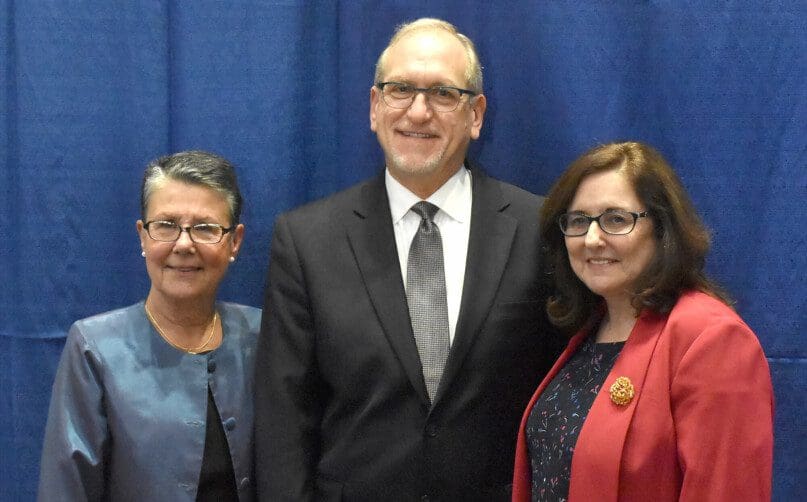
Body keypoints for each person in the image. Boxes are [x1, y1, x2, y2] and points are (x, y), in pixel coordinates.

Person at [255, 18, 560, 501]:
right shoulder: (306, 240)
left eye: (443, 94)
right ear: (375, 107)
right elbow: (283, 422)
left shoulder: (539, 229)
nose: (418, 112)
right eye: (400, 90)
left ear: (476, 115)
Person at [512, 142, 774, 501]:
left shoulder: (711, 339)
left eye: (616, 219)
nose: (591, 239)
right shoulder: (589, 332)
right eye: (578, 221)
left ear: (663, 229)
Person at [38, 151, 260, 501]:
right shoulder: (95, 348)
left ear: (235, 241)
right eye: (166, 225)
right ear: (143, 236)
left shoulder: (264, 337)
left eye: (205, 228)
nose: (184, 244)